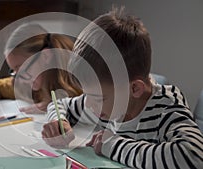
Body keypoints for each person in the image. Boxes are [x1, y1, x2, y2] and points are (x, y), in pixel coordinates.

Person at [41, 7, 203, 168]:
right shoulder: (103, 103)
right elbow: (61, 104)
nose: (88, 105)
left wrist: (113, 146)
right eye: (87, 95)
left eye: (98, 98)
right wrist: (58, 122)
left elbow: (193, 156)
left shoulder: (166, 107)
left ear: (135, 89)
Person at [0, 23, 82, 114]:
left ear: (45, 56)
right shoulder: (28, 85)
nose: (18, 78)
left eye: (21, 69)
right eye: (14, 72)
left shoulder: (83, 83)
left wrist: (58, 107)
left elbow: (93, 108)